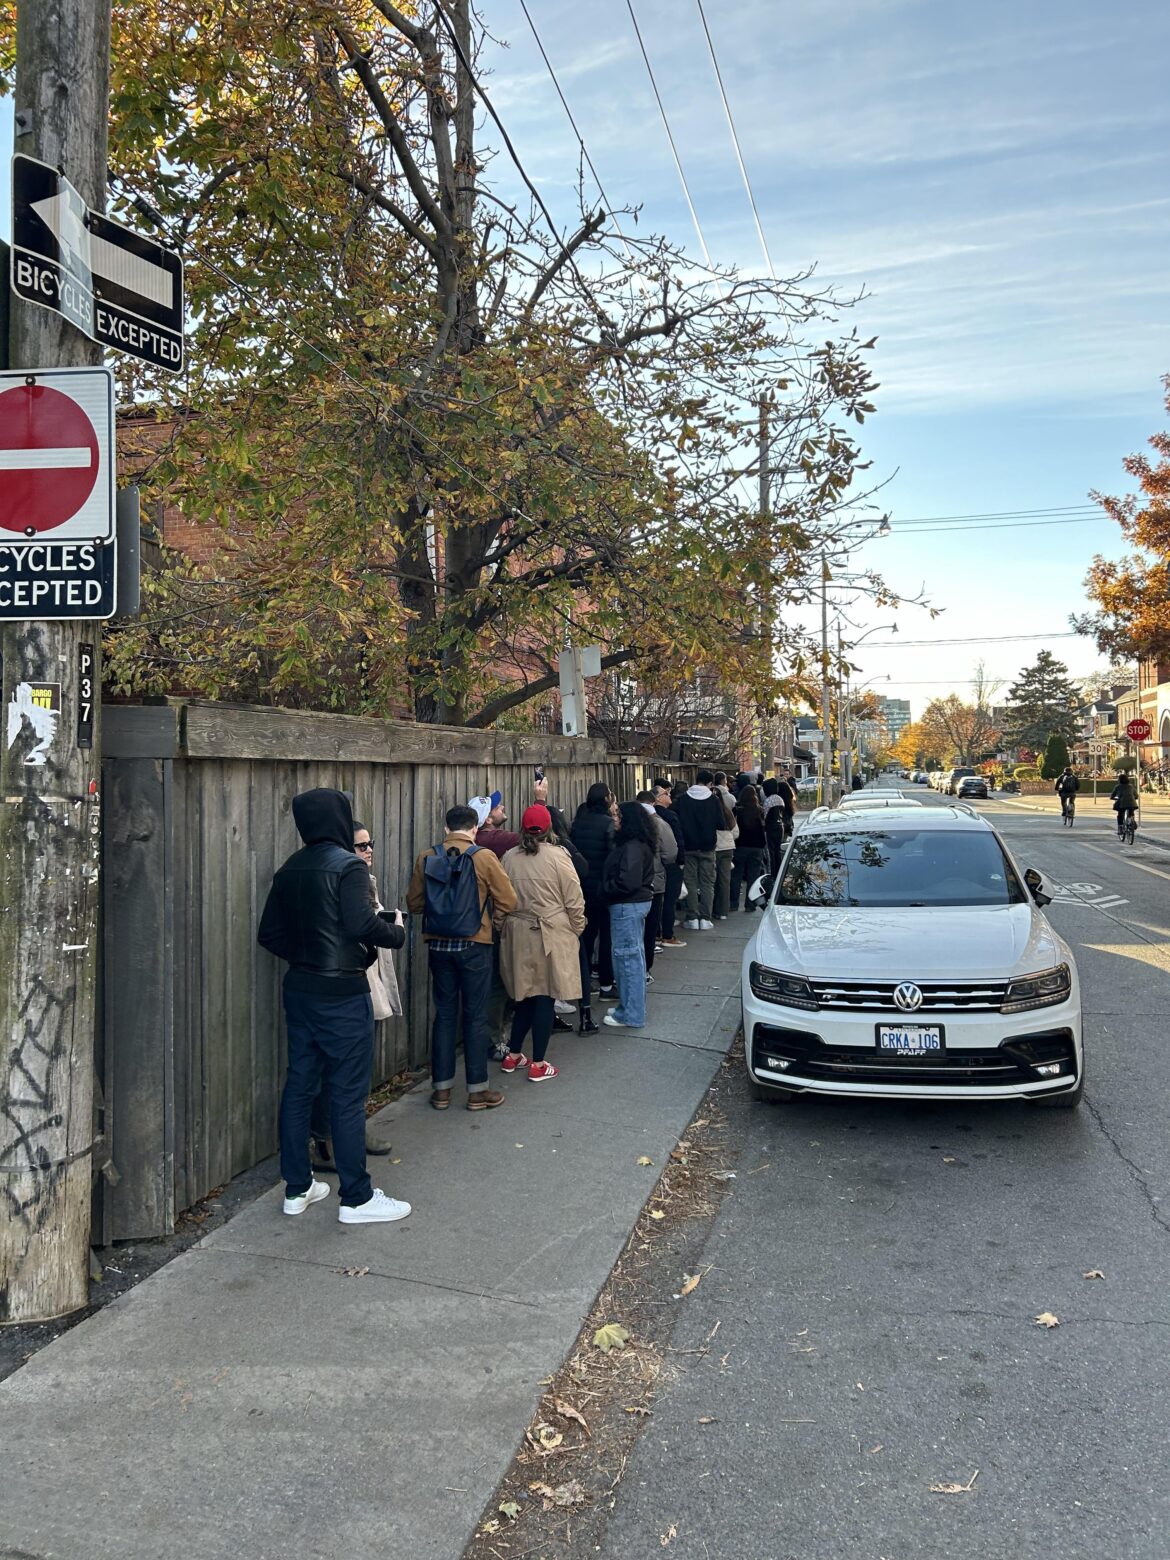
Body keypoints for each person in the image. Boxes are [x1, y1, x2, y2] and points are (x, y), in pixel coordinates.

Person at [257, 787, 410, 1225]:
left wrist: (307, 954)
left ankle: (297, 1188)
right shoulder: (348, 866)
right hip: (342, 994)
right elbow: (360, 923)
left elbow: (268, 934)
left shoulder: (289, 869)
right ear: (340, 820)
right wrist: (395, 933)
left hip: (301, 990)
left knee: (300, 1086)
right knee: (346, 1094)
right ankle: (357, 1198)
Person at [406, 804, 517, 1111]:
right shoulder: (483, 857)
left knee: (443, 1015)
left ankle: (441, 1091)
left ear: (446, 829)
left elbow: (414, 903)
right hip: (475, 946)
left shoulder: (427, 857)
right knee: (475, 1015)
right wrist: (491, 923)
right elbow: (508, 899)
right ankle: (477, 1091)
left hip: (439, 947)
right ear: (474, 829)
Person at [310, 820, 401, 1171]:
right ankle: (329, 1141)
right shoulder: (345, 882)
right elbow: (359, 928)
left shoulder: (364, 880)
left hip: (365, 979)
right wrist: (392, 930)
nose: (368, 851)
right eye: (360, 846)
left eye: (369, 844)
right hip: (349, 981)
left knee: (358, 1067)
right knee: (339, 1069)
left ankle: (351, 1132)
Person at [497, 805, 587, 1082]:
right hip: (551, 932)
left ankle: (513, 1055)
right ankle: (538, 1062)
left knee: (523, 995)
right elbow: (574, 897)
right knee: (546, 995)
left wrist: (502, 927)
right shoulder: (559, 856)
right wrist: (577, 928)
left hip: (517, 932)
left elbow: (500, 898)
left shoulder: (509, 857)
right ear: (549, 827)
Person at [602, 801, 657, 1029]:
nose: (614, 819)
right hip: (633, 903)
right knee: (632, 958)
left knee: (627, 960)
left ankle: (631, 1014)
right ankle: (628, 1008)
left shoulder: (632, 846)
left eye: (618, 816)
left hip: (626, 904)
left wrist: (606, 889)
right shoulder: (637, 843)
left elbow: (628, 880)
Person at [571, 783, 617, 1007]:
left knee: (586, 936)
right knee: (606, 937)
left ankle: (584, 979)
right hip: (603, 888)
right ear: (606, 799)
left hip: (582, 886)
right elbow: (612, 855)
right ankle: (607, 984)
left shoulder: (577, 824)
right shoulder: (608, 824)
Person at [674, 770, 724, 929]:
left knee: (690, 882)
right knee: (707, 883)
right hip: (708, 847)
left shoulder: (682, 800)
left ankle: (692, 917)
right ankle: (705, 918)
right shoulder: (714, 799)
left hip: (688, 847)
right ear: (710, 784)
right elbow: (721, 824)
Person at [637, 791, 674, 974]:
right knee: (651, 927)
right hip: (655, 880)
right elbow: (670, 852)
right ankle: (646, 967)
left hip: (631, 884)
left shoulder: (624, 824)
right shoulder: (660, 824)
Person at [652, 779, 687, 948]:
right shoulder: (668, 816)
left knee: (658, 899)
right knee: (670, 899)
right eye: (665, 793)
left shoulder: (651, 816)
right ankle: (667, 935)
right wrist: (680, 860)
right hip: (670, 862)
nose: (669, 794)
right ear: (657, 798)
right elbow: (677, 841)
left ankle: (658, 933)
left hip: (656, 864)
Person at [730, 784, 768, 911]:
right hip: (757, 846)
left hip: (740, 845)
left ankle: (733, 903)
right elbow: (763, 828)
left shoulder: (737, 810)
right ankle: (750, 904)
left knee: (736, 875)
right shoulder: (760, 810)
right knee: (753, 876)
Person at [711, 772, 739, 920]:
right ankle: (722, 911)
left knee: (710, 881)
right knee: (724, 880)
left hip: (713, 848)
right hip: (728, 848)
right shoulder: (728, 812)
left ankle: (712, 909)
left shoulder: (708, 813)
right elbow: (736, 833)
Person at [1111, 772, 1138, 836]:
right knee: (1131, 812)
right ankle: (1132, 821)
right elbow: (1136, 796)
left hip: (1122, 803)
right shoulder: (1131, 786)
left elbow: (1112, 796)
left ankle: (1120, 827)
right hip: (1132, 803)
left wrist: (1114, 798)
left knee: (1120, 814)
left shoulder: (1118, 787)